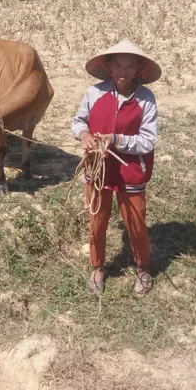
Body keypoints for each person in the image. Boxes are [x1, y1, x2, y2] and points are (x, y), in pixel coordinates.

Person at [71, 41, 161, 296]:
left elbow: (148, 140)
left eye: (130, 66)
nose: (123, 71)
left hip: (131, 172)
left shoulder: (146, 99)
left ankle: (142, 268)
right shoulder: (94, 93)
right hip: (98, 170)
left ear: (138, 70)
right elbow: (78, 122)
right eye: (118, 65)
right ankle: (97, 267)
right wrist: (84, 135)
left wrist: (117, 140)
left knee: (136, 223)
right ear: (109, 67)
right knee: (97, 221)